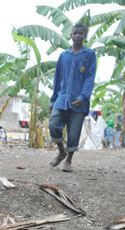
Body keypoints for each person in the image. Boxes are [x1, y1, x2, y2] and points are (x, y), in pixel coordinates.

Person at [48, 23, 97, 172]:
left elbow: (90, 78)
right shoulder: (64, 56)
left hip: (79, 102)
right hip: (62, 98)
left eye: (80, 33)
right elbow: (57, 78)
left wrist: (83, 96)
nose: (77, 36)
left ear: (85, 36)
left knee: (74, 133)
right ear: (71, 35)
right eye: (75, 33)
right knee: (53, 125)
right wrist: (53, 99)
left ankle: (68, 160)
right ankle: (61, 151)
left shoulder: (89, 55)